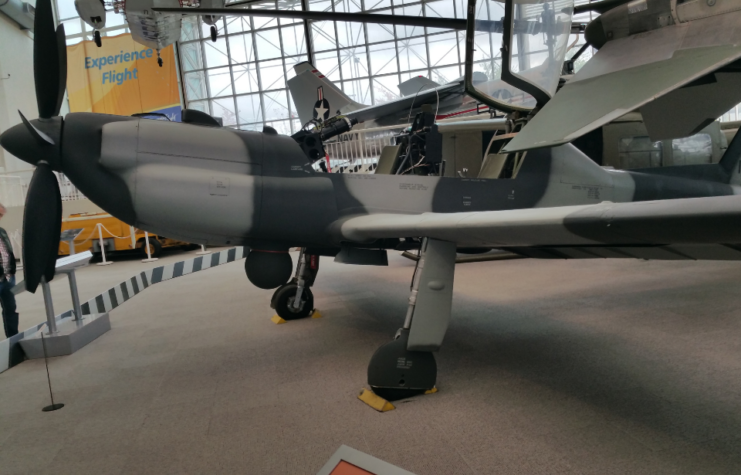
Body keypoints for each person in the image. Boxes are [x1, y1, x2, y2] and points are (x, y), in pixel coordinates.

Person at [0, 204, 18, 338]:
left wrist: (11, 271)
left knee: (10, 309)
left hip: (7, 278)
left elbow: (7, 252)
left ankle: (12, 338)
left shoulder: (2, 231)